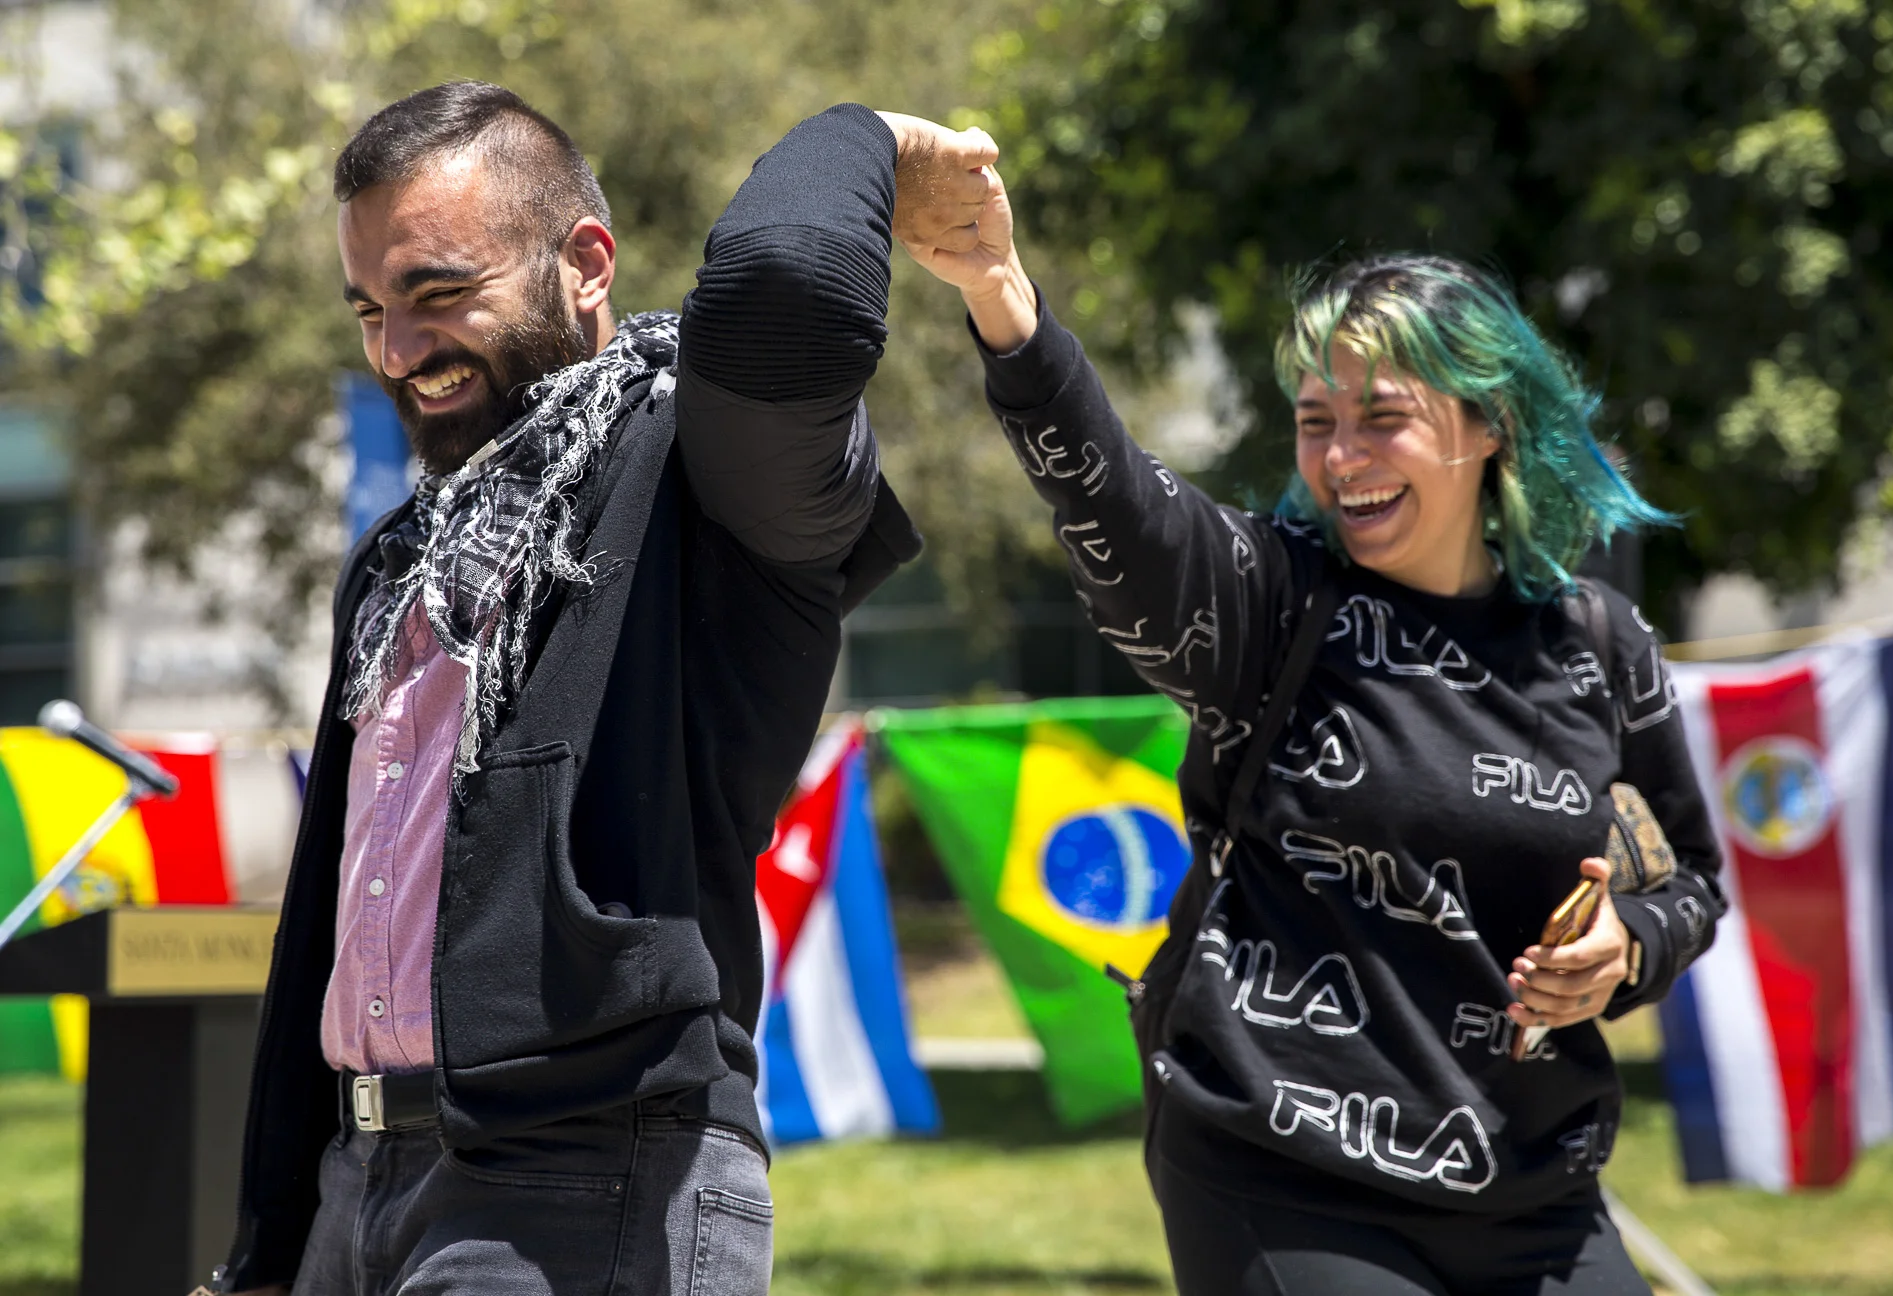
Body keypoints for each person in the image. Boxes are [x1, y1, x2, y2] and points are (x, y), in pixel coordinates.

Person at [206, 83, 993, 1294]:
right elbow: (337, 913)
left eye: (437, 293)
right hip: (355, 1182)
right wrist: (272, 1233)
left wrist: (872, 141)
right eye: (369, 309)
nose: (397, 353)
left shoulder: (705, 475)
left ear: (584, 262)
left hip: (584, 1170)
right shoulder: (405, 551)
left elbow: (783, 285)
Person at [903, 169, 1727, 1293]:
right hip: (1282, 1177)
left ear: (1487, 424)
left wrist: (1624, 945)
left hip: (1535, 1189)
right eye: (1315, 422)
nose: (1341, 459)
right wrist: (1000, 292)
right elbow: (1118, 505)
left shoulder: (1600, 643)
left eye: (1383, 419)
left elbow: (1692, 884)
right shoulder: (1271, 603)